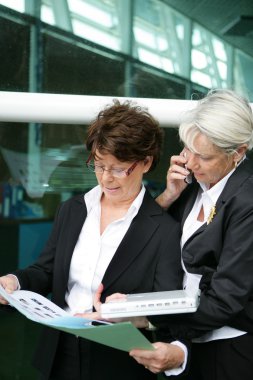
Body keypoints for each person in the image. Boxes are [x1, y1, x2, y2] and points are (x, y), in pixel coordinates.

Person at [0, 100, 184, 380]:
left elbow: (167, 309)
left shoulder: (165, 229)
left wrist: (129, 310)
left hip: (117, 364)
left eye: (118, 168)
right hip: (57, 355)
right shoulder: (73, 209)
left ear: (146, 163)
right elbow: (46, 271)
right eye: (98, 166)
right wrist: (16, 281)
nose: (106, 178)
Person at [129, 89, 253, 380]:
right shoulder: (193, 185)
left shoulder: (247, 203)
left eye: (204, 157)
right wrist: (169, 196)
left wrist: (151, 320)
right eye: (187, 150)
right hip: (189, 338)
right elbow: (144, 244)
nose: (192, 163)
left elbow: (226, 300)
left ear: (238, 153)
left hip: (229, 350)